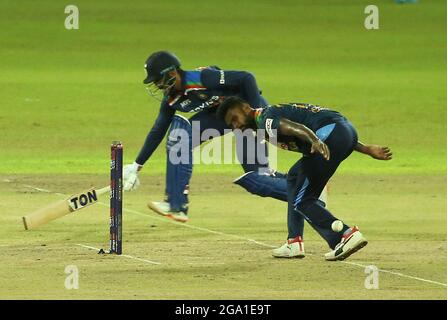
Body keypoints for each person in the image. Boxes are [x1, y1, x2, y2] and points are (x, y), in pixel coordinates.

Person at [122, 51, 290, 223]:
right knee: (180, 139)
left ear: (171, 73)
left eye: (158, 80)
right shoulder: (171, 99)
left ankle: (304, 193)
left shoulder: (202, 78)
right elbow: (158, 129)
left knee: (258, 177)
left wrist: (257, 115)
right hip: (220, 117)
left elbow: (247, 78)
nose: (157, 85)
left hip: (247, 113)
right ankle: (177, 204)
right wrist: (137, 165)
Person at [216, 96, 392, 261]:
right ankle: (294, 242)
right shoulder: (264, 120)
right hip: (342, 133)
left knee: (303, 201)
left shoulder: (264, 119)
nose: (235, 126)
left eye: (234, 119)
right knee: (294, 177)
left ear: (246, 108)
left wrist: (314, 139)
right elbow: (335, 129)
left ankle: (345, 235)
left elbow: (290, 126)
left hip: (326, 136)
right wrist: (366, 149)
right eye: (230, 125)